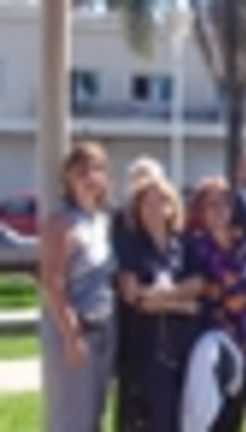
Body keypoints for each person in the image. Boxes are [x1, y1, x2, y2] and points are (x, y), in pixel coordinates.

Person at [39, 142, 116, 432]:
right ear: (67, 177)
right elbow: (53, 283)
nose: (89, 176)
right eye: (81, 169)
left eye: (97, 169)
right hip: (73, 331)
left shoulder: (102, 221)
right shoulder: (60, 223)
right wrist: (71, 336)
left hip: (105, 328)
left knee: (95, 415)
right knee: (71, 420)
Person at [116, 176, 202, 432]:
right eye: (146, 203)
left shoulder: (183, 244)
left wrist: (161, 296)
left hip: (182, 345)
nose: (154, 209)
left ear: (171, 207)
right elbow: (133, 296)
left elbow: (198, 285)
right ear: (137, 210)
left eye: (160, 202)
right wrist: (179, 303)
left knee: (183, 418)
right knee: (155, 419)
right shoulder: (130, 245)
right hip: (146, 349)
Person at [183, 177, 246, 432]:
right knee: (216, 421)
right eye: (212, 205)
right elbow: (206, 291)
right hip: (217, 348)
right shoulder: (194, 247)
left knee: (239, 419)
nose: (220, 210)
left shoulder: (243, 244)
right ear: (200, 210)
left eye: (225, 204)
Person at [112, 156, 167, 432]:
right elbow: (132, 291)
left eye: (150, 181)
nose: (143, 188)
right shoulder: (119, 225)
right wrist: (178, 301)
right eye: (138, 181)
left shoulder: (172, 234)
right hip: (132, 331)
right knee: (132, 409)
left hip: (168, 341)